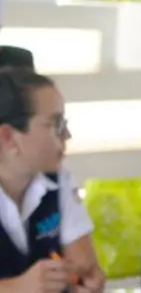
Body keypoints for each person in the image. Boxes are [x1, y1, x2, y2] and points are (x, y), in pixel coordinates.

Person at [0, 69, 103, 292]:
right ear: (8, 138)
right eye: (54, 124)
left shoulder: (58, 179)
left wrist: (87, 282)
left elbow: (83, 265)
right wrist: (16, 288)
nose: (67, 135)